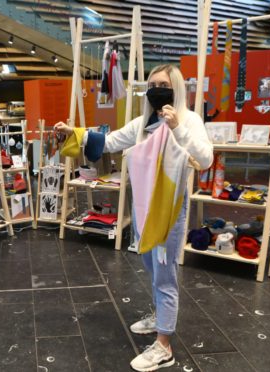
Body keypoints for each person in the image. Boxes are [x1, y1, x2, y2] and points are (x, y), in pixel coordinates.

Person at [55, 64, 213, 371]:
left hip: (168, 209)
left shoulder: (189, 119)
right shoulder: (144, 122)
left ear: (176, 87)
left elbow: (205, 159)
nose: (156, 89)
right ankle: (159, 317)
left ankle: (164, 345)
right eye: (152, 84)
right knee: (150, 265)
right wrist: (73, 133)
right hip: (143, 205)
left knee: (165, 274)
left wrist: (177, 127)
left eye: (163, 84)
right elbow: (111, 140)